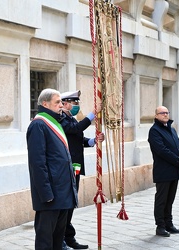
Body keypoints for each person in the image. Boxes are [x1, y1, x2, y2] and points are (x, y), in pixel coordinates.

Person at [27, 88, 78, 250]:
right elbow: (38, 163)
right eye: (57, 102)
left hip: (62, 193)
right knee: (45, 240)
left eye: (61, 102)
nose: (61, 106)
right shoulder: (39, 125)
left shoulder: (55, 122)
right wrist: (46, 193)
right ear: (45, 104)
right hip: (50, 196)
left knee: (57, 240)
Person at [59, 90, 104, 250]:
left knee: (71, 203)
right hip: (67, 168)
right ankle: (62, 239)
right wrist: (93, 114)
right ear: (64, 104)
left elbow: (77, 138)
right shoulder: (61, 118)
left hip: (76, 167)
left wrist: (93, 141)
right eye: (74, 103)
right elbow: (76, 130)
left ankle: (69, 238)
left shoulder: (70, 118)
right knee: (66, 204)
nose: (77, 106)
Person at [148, 106, 179, 237]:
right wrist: (177, 160)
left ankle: (169, 225)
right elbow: (161, 150)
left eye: (167, 112)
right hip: (163, 171)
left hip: (174, 170)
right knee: (162, 200)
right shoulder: (154, 131)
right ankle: (160, 226)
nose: (165, 115)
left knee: (170, 199)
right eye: (162, 113)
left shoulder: (171, 129)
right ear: (156, 116)